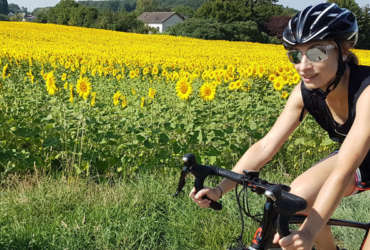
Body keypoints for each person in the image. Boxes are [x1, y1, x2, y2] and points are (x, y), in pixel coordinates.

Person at [189, 3, 370, 250]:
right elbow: (266, 145)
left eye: (317, 54)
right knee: (295, 200)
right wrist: (220, 190)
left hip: (354, 161)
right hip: (360, 160)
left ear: (344, 52)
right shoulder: (306, 92)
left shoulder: (367, 92)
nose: (303, 66)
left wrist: (307, 233)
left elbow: (344, 170)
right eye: (295, 55)